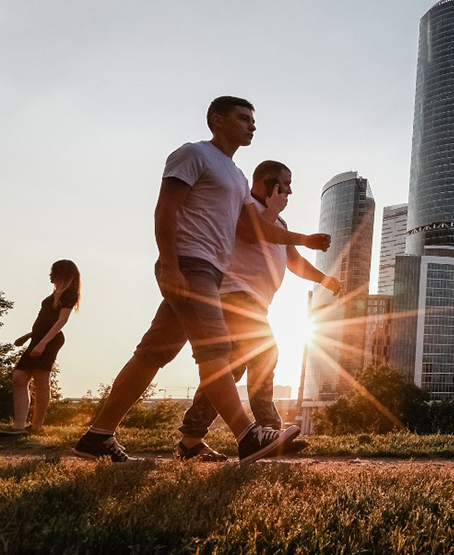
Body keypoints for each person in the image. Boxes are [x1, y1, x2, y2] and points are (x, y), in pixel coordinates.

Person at [73, 96, 330, 463]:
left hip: (209, 270)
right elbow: (166, 208)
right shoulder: (193, 154)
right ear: (217, 120)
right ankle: (248, 436)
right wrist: (170, 262)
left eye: (253, 120)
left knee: (151, 355)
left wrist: (302, 240)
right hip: (190, 265)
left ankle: (98, 436)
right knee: (216, 353)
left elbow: (252, 228)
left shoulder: (238, 177)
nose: (251, 126)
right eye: (243, 118)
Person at [176, 160, 341, 461]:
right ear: (268, 183)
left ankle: (192, 438)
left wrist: (324, 280)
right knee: (266, 353)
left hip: (255, 303)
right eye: (285, 184)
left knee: (233, 368)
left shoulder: (278, 224)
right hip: (233, 295)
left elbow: (293, 261)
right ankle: (267, 430)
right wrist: (273, 211)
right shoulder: (245, 206)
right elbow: (252, 234)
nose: (290, 191)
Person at [2, 260, 81, 436]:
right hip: (38, 338)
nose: (50, 274)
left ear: (62, 273)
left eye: (53, 271)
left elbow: (61, 321)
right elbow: (44, 320)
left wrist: (43, 343)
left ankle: (37, 427)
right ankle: (20, 426)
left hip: (49, 340)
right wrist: (29, 336)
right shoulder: (54, 295)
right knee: (19, 378)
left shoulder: (69, 293)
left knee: (40, 378)